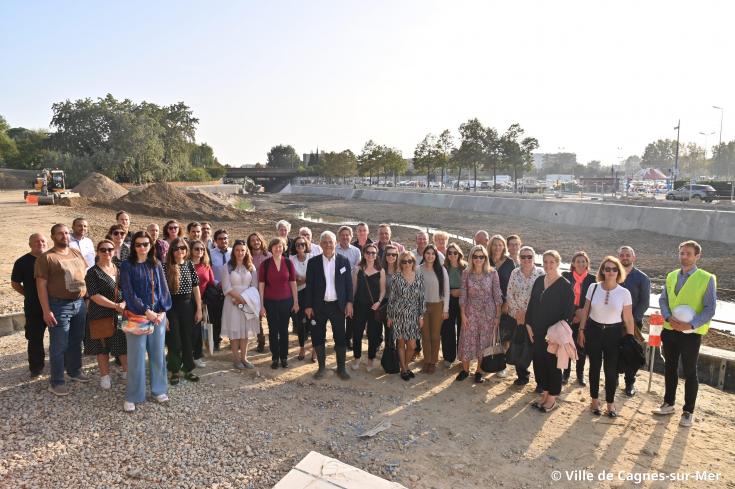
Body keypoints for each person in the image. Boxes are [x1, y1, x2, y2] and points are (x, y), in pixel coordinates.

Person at [653, 240, 717, 427]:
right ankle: (668, 403)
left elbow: (709, 308)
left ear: (697, 256)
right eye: (682, 253)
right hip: (670, 329)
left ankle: (688, 411)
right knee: (670, 368)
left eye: (688, 253)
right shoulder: (672, 275)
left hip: (691, 333)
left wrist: (690, 325)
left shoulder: (706, 278)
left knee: (690, 371)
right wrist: (667, 317)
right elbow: (663, 300)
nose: (684, 256)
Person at [120, 231, 172, 412]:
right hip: (137, 316)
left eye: (146, 244)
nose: (142, 248)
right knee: (136, 357)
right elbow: (128, 292)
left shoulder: (155, 265)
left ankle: (158, 390)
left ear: (151, 246)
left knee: (158, 354)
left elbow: (163, 289)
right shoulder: (127, 266)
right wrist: (146, 310)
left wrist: (163, 310)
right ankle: (133, 395)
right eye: (138, 244)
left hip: (157, 316)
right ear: (133, 247)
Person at [35, 224, 90, 396]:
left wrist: (86, 299)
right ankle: (56, 381)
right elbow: (41, 285)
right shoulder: (46, 258)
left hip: (79, 303)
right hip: (59, 305)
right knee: (59, 345)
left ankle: (74, 370)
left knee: (76, 340)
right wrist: (46, 310)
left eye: (66, 233)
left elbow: (83, 275)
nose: (64, 236)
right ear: (53, 236)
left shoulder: (76, 253)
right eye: (60, 233)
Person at [578, 256, 635, 418]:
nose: (610, 272)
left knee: (611, 371)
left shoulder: (624, 293)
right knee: (594, 367)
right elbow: (585, 311)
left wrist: (630, 339)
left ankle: (610, 404)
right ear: (602, 270)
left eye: (614, 269)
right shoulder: (593, 287)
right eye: (607, 269)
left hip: (614, 333)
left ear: (619, 271)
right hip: (593, 331)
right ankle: (594, 401)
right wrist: (581, 330)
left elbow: (629, 318)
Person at [525, 250, 574, 413]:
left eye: (551, 262)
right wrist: (528, 324)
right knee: (539, 363)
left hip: (553, 335)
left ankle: (552, 399)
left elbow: (568, 313)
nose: (548, 265)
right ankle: (544, 394)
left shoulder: (565, 285)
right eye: (545, 262)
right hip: (537, 332)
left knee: (552, 365)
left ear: (558, 263)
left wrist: (555, 334)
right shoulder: (539, 280)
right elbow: (531, 304)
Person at [303, 231, 354, 380]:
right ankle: (322, 368)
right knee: (318, 336)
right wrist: (308, 305)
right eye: (324, 242)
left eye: (330, 242)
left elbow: (348, 285)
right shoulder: (313, 262)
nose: (327, 245)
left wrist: (349, 302)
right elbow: (309, 286)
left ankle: (341, 368)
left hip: (338, 306)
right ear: (320, 244)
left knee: (340, 337)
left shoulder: (343, 261)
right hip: (319, 306)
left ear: (335, 243)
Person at [83, 239, 128, 389]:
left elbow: (127, 289)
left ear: (114, 251)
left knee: (123, 341)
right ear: (98, 252)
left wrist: (124, 303)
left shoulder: (120, 268)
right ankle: (105, 376)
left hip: (121, 312)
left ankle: (127, 371)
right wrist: (115, 305)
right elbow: (94, 295)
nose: (107, 252)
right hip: (100, 313)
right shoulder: (92, 272)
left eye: (110, 249)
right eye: (103, 250)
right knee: (101, 345)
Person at [456, 245, 502, 383]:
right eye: (475, 256)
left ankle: (479, 371)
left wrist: (498, 316)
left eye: (481, 256)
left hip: (488, 312)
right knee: (467, 340)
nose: (478, 259)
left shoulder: (493, 273)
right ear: (471, 258)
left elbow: (497, 295)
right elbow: (463, 295)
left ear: (485, 258)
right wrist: (463, 314)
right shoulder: (466, 273)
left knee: (484, 342)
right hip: (470, 312)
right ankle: (465, 370)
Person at [163, 237, 201, 385]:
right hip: (171, 307)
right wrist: (164, 314)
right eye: (176, 248)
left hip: (188, 306)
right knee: (174, 340)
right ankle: (174, 370)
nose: (180, 251)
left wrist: (198, 308)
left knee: (187, 338)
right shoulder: (165, 267)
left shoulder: (189, 265)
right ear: (172, 251)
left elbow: (196, 287)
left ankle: (188, 369)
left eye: (183, 248)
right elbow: (162, 293)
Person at [11, 233, 48, 377]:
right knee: (35, 338)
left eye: (43, 241)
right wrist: (29, 295)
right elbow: (15, 283)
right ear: (30, 244)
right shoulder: (22, 262)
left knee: (59, 336)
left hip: (55, 304)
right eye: (36, 241)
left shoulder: (53, 258)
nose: (40, 243)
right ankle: (36, 367)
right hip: (34, 307)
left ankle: (61, 363)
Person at [506, 245, 544, 386]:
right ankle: (522, 376)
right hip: (517, 317)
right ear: (519, 258)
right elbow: (509, 293)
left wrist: (528, 314)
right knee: (519, 345)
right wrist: (518, 312)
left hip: (535, 318)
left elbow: (542, 297)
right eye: (523, 256)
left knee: (536, 349)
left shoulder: (541, 273)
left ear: (534, 258)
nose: (526, 259)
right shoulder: (514, 273)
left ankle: (540, 381)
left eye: (529, 256)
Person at [259, 237, 299, 369]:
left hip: (286, 301)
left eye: (280, 246)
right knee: (273, 330)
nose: (278, 248)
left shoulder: (288, 263)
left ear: (284, 248)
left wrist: (296, 302)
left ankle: (284, 357)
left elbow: (293, 283)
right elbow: (261, 285)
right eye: (275, 246)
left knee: (284, 330)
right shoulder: (265, 264)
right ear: (271, 248)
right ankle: (275, 357)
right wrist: (261, 305)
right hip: (270, 302)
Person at [221, 240, 260, 369]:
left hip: (247, 302)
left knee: (245, 331)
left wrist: (244, 299)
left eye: (242, 250)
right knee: (235, 331)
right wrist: (239, 299)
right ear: (234, 252)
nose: (240, 252)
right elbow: (226, 287)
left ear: (246, 251)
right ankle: (236, 359)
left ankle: (244, 358)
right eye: (237, 250)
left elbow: (254, 286)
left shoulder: (251, 267)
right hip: (232, 303)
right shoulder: (228, 266)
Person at [618, 245, 651, 397]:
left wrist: (630, 320)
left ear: (633, 257)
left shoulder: (642, 278)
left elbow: (644, 302)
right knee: (613, 352)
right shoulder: (613, 273)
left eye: (627, 255)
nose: (625, 257)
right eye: (622, 255)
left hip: (633, 323)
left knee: (631, 353)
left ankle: (629, 383)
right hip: (613, 322)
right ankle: (613, 381)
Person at [387, 251, 424, 381]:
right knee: (401, 344)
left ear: (413, 262)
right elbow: (391, 299)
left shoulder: (419, 277)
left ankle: (405, 366)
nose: (407, 264)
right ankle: (404, 369)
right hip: (399, 314)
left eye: (410, 261)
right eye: (404, 261)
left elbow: (421, 298)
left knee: (412, 345)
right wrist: (390, 316)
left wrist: (421, 316)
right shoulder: (396, 277)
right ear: (400, 263)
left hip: (413, 315)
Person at [561, 251, 596, 386]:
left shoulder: (593, 280)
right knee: (567, 345)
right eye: (578, 261)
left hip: (585, 318)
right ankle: (566, 373)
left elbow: (594, 300)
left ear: (587, 263)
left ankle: (580, 375)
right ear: (573, 263)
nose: (581, 264)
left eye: (583, 261)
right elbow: (562, 298)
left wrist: (582, 315)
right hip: (568, 317)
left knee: (581, 346)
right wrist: (574, 314)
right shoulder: (566, 276)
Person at [351, 243, 385, 372]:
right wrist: (351, 304)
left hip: (374, 307)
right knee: (357, 333)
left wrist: (379, 302)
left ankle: (370, 359)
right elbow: (354, 289)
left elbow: (382, 290)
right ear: (364, 254)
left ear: (376, 255)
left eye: (373, 253)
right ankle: (357, 357)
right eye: (368, 252)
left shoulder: (381, 270)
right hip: (359, 305)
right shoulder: (357, 269)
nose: (371, 255)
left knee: (373, 335)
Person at [418, 244, 449, 373]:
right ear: (424, 255)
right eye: (427, 253)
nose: (430, 256)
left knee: (435, 335)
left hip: (438, 305)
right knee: (425, 335)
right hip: (423, 306)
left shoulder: (442, 270)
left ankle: (433, 361)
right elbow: (417, 291)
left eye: (433, 254)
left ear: (436, 256)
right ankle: (427, 360)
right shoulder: (418, 269)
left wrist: (445, 309)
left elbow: (446, 291)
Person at [488, 234, 516, 378]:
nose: (497, 247)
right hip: (488, 304)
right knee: (491, 334)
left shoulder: (509, 262)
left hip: (505, 304)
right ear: (491, 246)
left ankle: (502, 365)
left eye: (500, 245)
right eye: (495, 244)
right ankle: (490, 362)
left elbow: (513, 285)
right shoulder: (486, 261)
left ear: (504, 247)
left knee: (504, 335)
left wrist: (507, 302)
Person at [441, 243, 466, 368]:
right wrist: (450, 292)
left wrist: (461, 291)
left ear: (459, 253)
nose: (452, 255)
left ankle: (462, 356)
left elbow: (470, 284)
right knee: (447, 329)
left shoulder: (465, 267)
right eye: (449, 253)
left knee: (463, 328)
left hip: (463, 300)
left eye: (455, 253)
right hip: (448, 300)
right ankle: (448, 357)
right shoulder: (444, 267)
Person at [290, 236, 314, 362]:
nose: (300, 247)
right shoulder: (291, 259)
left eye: (303, 244)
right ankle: (302, 347)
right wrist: (303, 279)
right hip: (297, 295)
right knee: (300, 323)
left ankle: (315, 350)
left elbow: (314, 278)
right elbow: (291, 279)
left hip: (311, 295)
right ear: (294, 246)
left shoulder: (312, 258)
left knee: (313, 322)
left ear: (306, 246)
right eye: (298, 244)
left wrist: (302, 279)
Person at [190, 239, 213, 368]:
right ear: (191, 250)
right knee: (188, 331)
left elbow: (211, 284)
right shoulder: (186, 265)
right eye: (196, 249)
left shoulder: (206, 266)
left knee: (198, 331)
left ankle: (197, 356)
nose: (200, 251)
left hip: (202, 303)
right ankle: (187, 355)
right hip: (188, 303)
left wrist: (205, 301)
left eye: (202, 249)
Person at [247, 231, 270, 353]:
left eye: (257, 240)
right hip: (254, 291)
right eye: (253, 240)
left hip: (269, 291)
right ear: (249, 243)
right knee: (257, 318)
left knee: (270, 317)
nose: (256, 242)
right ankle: (261, 341)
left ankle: (273, 339)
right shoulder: (247, 256)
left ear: (261, 241)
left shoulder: (269, 255)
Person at [210, 229, 232, 351]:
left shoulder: (234, 252)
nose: (223, 241)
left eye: (225, 238)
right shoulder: (210, 253)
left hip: (232, 290)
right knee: (217, 317)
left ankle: (232, 340)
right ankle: (216, 341)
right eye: (220, 239)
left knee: (231, 316)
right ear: (215, 241)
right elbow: (208, 271)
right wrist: (217, 283)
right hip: (216, 289)